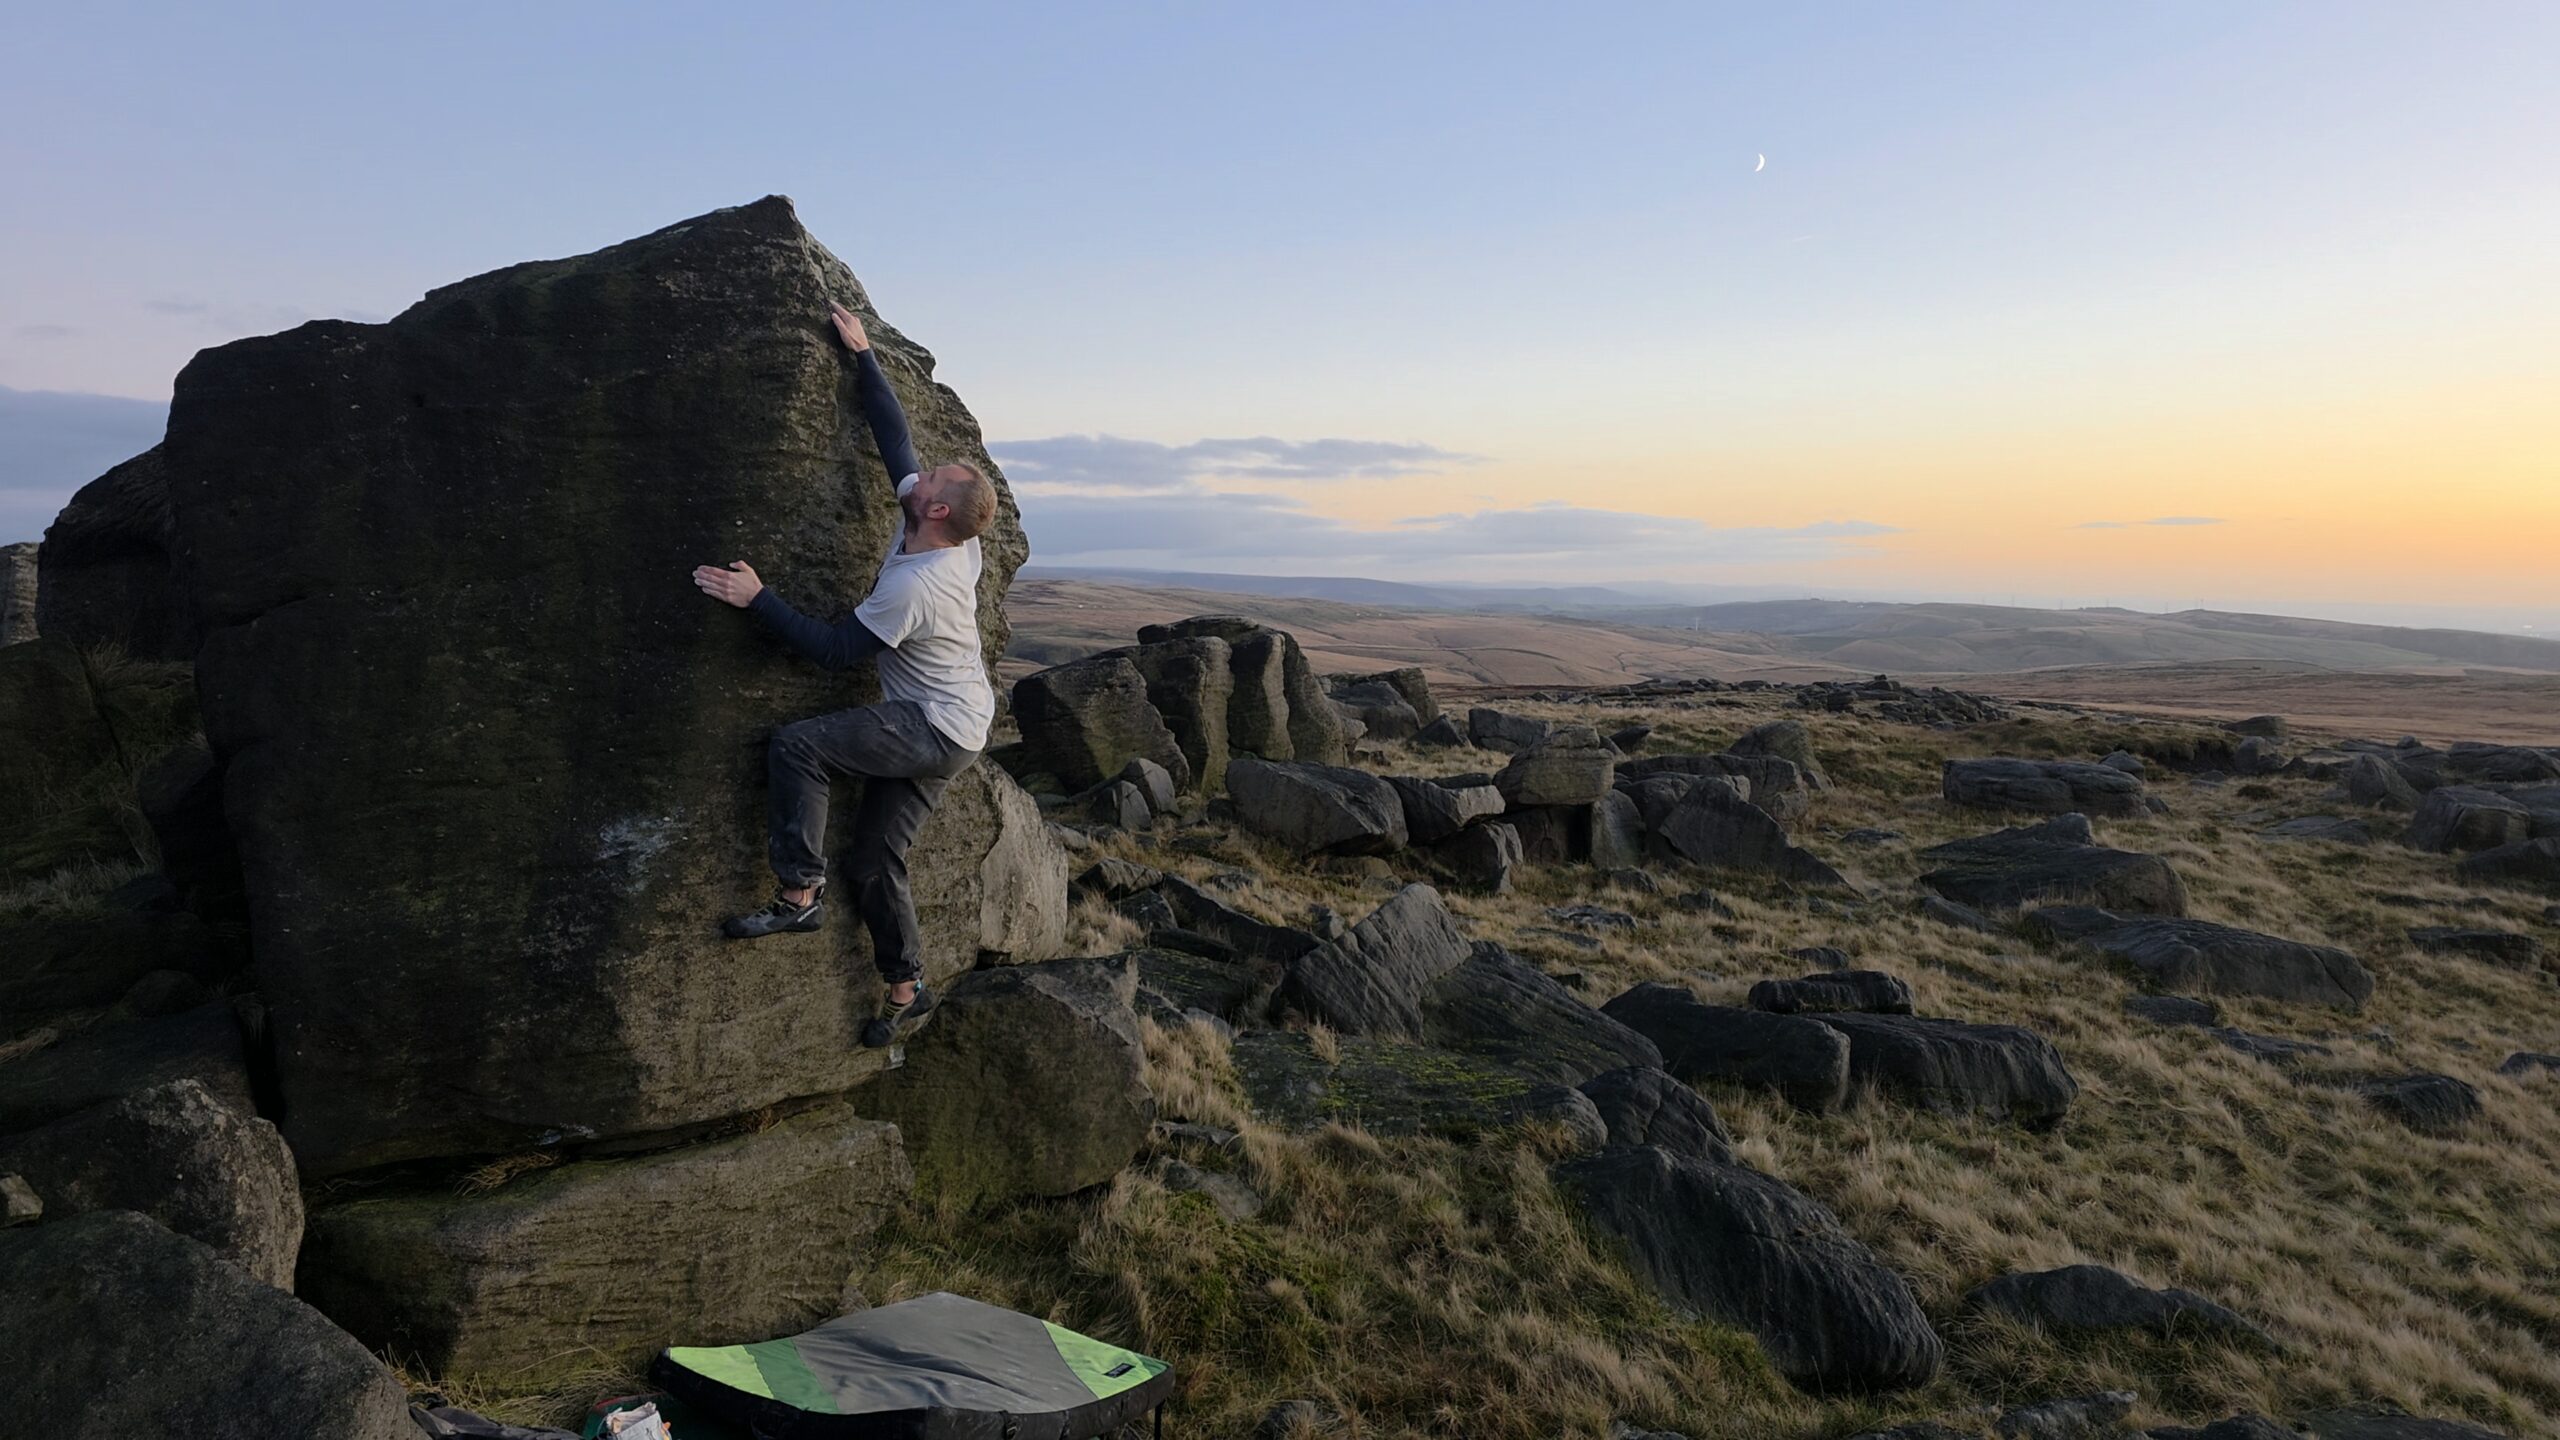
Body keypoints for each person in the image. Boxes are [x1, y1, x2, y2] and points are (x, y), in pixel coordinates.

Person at [691, 301, 999, 1047]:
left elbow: (834, 653)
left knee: (799, 745)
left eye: (936, 477)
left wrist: (757, 598)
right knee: (872, 861)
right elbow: (895, 441)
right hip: (963, 723)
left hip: (930, 727)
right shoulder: (946, 531)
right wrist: (862, 355)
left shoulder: (916, 585)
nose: (924, 472)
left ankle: (798, 893)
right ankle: (907, 986)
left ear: (933, 510)